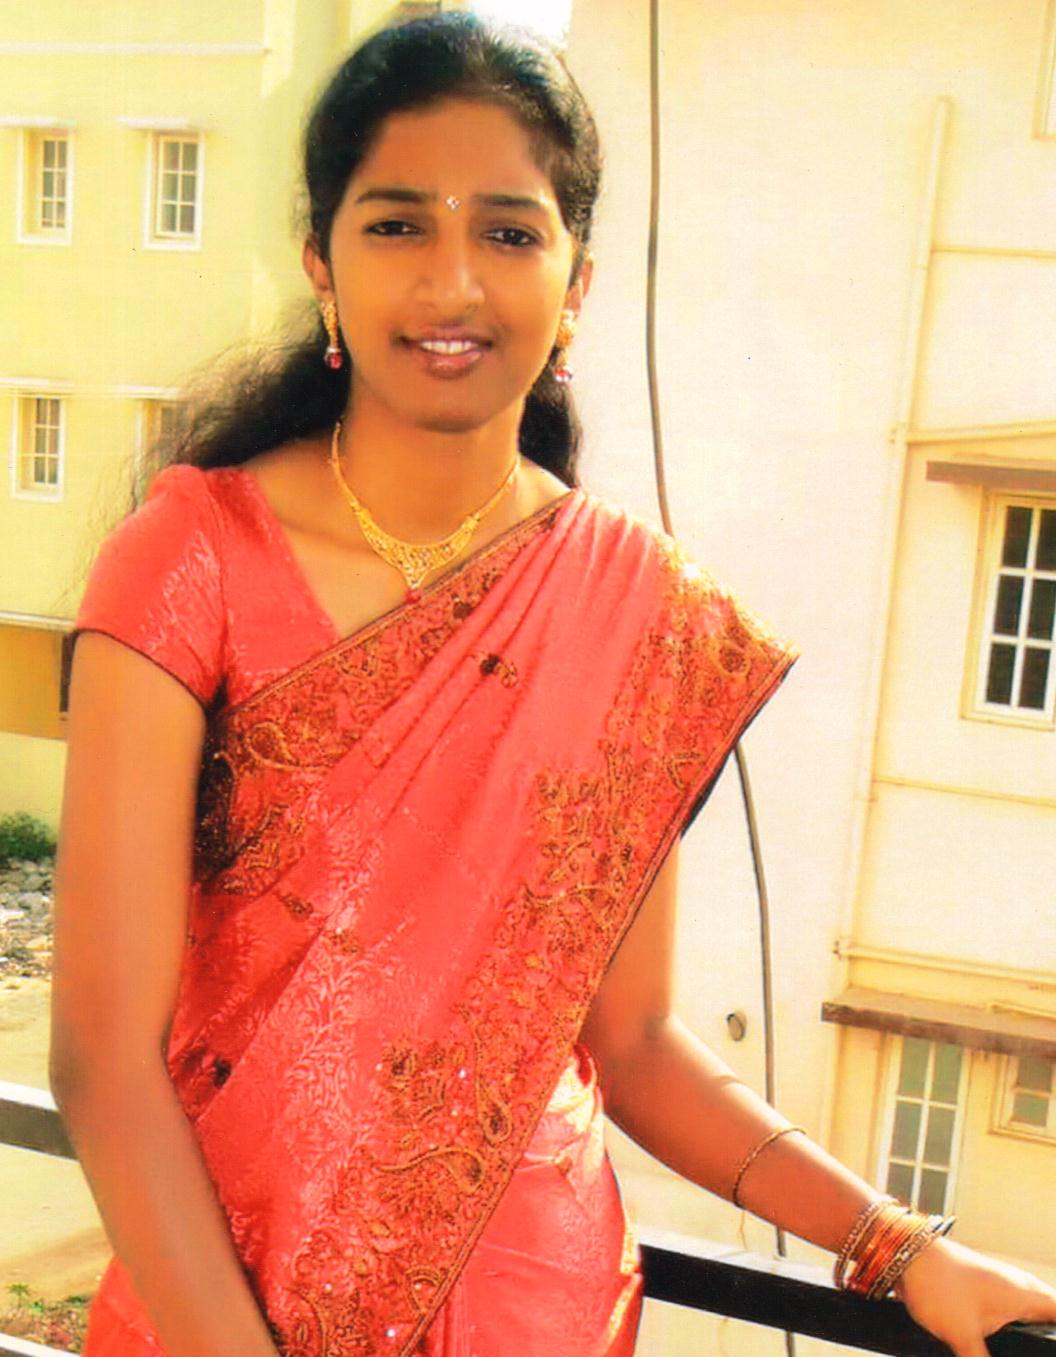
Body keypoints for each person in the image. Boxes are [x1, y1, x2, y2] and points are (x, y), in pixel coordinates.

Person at [51, 13, 1056, 1357]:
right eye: (398, 225)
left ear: (576, 282)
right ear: (321, 264)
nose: (453, 280)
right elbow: (103, 1063)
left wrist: (899, 1245)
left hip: (535, 1307)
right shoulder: (193, 559)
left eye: (510, 232)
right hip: (215, 1306)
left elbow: (632, 1044)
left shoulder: (638, 611)